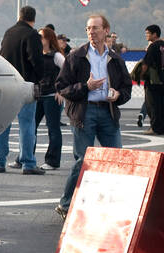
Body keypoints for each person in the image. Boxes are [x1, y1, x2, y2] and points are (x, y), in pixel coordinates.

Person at [55, 13, 132, 217]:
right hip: (84, 111)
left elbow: (127, 88)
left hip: (108, 111)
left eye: (95, 28)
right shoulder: (76, 57)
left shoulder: (115, 58)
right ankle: (66, 203)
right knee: (83, 161)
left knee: (115, 158)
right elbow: (61, 87)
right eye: (88, 28)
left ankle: (110, 203)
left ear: (106, 30)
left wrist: (118, 96)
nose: (91, 32)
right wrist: (85, 87)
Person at [0, 5, 45, 174]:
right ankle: (28, 163)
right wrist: (42, 78)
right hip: (26, 85)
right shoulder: (32, 35)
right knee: (27, 125)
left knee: (3, 124)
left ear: (19, 16)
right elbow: (36, 60)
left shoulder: (8, 33)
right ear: (33, 19)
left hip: (7, 84)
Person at [34, 25, 65, 169]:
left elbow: (67, 72)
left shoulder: (57, 56)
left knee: (53, 129)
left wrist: (61, 91)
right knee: (30, 127)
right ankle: (26, 157)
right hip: (38, 95)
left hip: (52, 96)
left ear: (48, 39)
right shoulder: (37, 54)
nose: (38, 39)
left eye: (41, 36)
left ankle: (52, 161)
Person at [139, 24, 164, 135]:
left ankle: (155, 128)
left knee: (152, 105)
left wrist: (140, 76)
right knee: (162, 105)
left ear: (154, 34)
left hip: (153, 81)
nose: (146, 35)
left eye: (148, 33)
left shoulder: (152, 47)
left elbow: (145, 64)